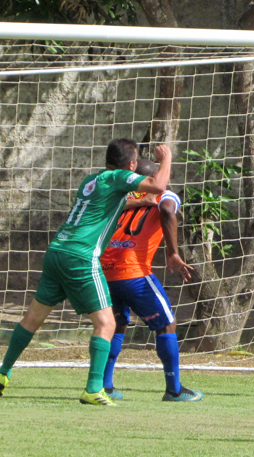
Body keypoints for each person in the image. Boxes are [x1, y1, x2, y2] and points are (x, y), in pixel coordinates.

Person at [0, 139, 171, 406]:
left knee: (32, 319)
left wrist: (144, 201)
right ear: (132, 164)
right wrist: (166, 158)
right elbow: (158, 186)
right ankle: (93, 389)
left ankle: (3, 373)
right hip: (81, 257)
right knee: (107, 324)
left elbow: (112, 205)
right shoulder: (119, 177)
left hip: (57, 251)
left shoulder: (92, 181)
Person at [99, 158, 202, 402]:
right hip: (134, 272)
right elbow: (167, 210)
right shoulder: (163, 195)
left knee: (116, 325)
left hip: (105, 269)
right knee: (167, 324)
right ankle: (174, 390)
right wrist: (173, 253)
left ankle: (106, 386)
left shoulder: (120, 197)